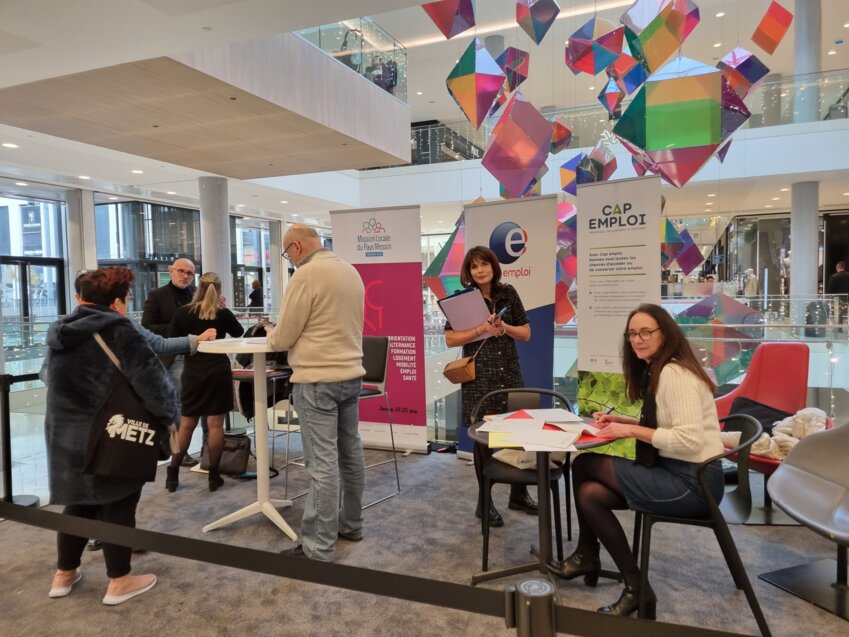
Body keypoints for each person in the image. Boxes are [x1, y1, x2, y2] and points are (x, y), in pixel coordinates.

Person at [557, 303, 724, 619]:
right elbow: (670, 428)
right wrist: (619, 420)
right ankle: (635, 587)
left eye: (646, 331)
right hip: (678, 471)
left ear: (665, 333)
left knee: (583, 464)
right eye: (632, 333)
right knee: (589, 494)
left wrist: (630, 430)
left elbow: (689, 441)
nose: (637, 339)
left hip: (693, 483)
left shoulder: (674, 374)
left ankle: (588, 556)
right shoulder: (662, 368)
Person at [43, 267, 177, 605]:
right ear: (117, 302)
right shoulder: (121, 331)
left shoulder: (59, 331)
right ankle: (119, 581)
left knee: (78, 501)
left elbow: (47, 374)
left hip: (63, 433)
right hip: (109, 433)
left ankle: (64, 574)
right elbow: (154, 385)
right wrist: (170, 418)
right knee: (118, 502)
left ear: (80, 298)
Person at [268, 224, 365, 561]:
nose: (290, 260)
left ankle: (318, 547)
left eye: (287, 253)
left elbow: (282, 338)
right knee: (350, 455)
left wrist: (269, 333)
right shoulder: (350, 271)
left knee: (321, 465)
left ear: (295, 247)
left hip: (316, 380)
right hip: (350, 375)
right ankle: (351, 525)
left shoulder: (306, 275)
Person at [444, 246, 532, 528]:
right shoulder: (462, 300)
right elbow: (450, 340)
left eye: (484, 264)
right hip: (479, 376)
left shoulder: (508, 293)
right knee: (483, 442)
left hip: (510, 373)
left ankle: (519, 495)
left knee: (518, 434)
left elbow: (527, 333)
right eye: (474, 266)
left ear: (493, 266)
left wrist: (503, 327)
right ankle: (485, 502)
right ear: (468, 272)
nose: (480, 270)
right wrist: (481, 330)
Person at [166, 272, 244, 492]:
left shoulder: (182, 313)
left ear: (198, 288)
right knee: (215, 425)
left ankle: (172, 474)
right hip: (218, 372)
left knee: (187, 424)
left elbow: (174, 341)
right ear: (218, 290)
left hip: (192, 372)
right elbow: (238, 333)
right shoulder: (223, 314)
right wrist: (224, 309)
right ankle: (213, 476)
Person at [141, 258, 201, 467]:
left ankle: (187, 449)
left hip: (198, 355)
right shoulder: (157, 296)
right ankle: (176, 451)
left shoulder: (197, 295)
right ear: (170, 271)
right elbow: (147, 327)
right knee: (178, 406)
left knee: (196, 405)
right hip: (173, 357)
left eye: (189, 273)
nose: (185, 276)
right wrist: (178, 332)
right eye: (181, 271)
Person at [827, 261, 849, 325]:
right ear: (844, 267)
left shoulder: (833, 277)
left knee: (838, 314)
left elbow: (830, 289)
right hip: (847, 298)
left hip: (837, 299)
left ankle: (839, 328)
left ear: (837, 267)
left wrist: (829, 298)